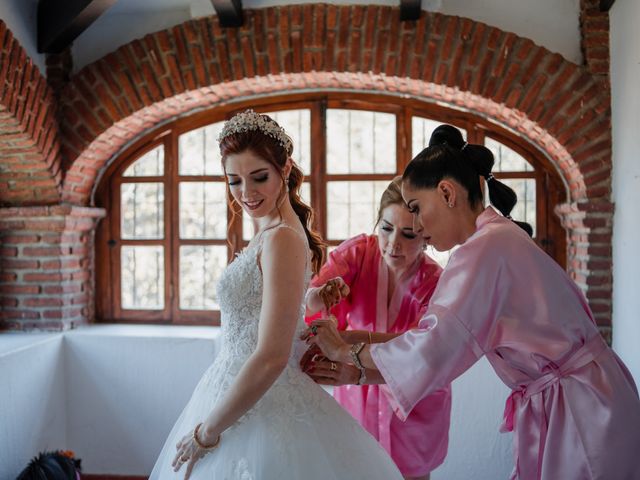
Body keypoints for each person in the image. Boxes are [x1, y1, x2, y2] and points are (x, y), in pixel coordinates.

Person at [306, 124, 640, 480]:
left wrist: (344, 352)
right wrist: (355, 367)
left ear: (447, 192)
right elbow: (442, 351)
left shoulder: (485, 250)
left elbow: (432, 348)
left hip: (582, 411)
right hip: (582, 397)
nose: (417, 224)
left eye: (417, 208)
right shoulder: (496, 239)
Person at [149, 110, 403, 480]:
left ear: (285, 169)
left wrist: (206, 433)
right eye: (234, 180)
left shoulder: (282, 237)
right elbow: (273, 304)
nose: (246, 193)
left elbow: (271, 355)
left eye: (259, 177)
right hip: (236, 387)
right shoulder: (274, 229)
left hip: (260, 398)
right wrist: (313, 299)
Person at [303, 176, 451, 480]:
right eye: (386, 228)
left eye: (409, 234)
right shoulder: (356, 254)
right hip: (355, 398)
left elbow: (421, 352)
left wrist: (350, 345)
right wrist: (319, 298)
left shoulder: (437, 283)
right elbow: (311, 300)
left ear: (427, 237)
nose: (393, 243)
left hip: (413, 404)